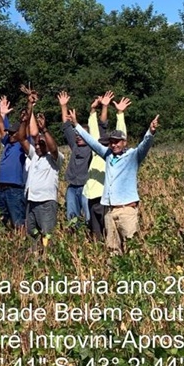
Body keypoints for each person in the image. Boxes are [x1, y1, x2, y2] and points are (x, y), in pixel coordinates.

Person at [71, 109, 159, 254]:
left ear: (125, 142)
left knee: (132, 248)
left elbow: (145, 145)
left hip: (126, 210)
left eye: (117, 142)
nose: (114, 145)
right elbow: (92, 142)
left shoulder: (133, 156)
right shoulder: (108, 155)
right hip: (109, 211)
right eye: (111, 142)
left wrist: (151, 131)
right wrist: (76, 125)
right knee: (112, 249)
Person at [84, 92, 130, 239]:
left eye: (108, 143)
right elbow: (93, 131)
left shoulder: (112, 157)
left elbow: (121, 135)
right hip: (92, 196)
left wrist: (120, 114)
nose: (105, 145)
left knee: (108, 231)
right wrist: (92, 111)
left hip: (106, 198)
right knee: (96, 232)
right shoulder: (97, 153)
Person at [18, 108, 63, 251]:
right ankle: (35, 260)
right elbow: (21, 138)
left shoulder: (55, 158)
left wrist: (44, 130)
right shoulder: (35, 156)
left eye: (41, 144)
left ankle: (49, 260)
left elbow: (54, 148)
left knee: (47, 235)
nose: (37, 146)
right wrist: (24, 122)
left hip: (46, 203)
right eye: (36, 144)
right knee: (32, 234)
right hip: (31, 202)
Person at [0, 92, 33, 230]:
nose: (9, 135)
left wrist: (29, 104)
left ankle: (21, 245)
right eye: (8, 132)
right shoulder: (8, 142)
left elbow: (26, 124)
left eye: (12, 133)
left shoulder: (22, 144)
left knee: (18, 221)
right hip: (2, 188)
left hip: (14, 189)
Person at [58, 91, 91, 227]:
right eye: (76, 134)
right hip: (72, 186)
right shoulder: (74, 145)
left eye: (81, 135)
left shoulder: (92, 148)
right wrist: (63, 106)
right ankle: (76, 235)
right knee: (72, 216)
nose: (77, 136)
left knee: (88, 216)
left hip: (86, 186)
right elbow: (66, 126)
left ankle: (90, 236)